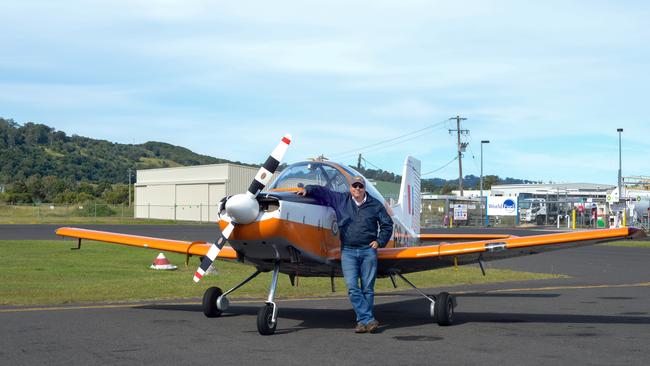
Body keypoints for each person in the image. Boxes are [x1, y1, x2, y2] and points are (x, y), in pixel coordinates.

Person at [297, 176, 393, 333]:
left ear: (364, 188)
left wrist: (379, 242)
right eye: (354, 186)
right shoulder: (341, 199)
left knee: (367, 288)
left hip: (368, 250)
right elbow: (323, 192)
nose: (357, 189)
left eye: (360, 186)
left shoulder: (375, 205)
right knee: (352, 287)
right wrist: (308, 189)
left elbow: (387, 224)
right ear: (350, 188)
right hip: (348, 250)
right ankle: (368, 319)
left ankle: (362, 323)